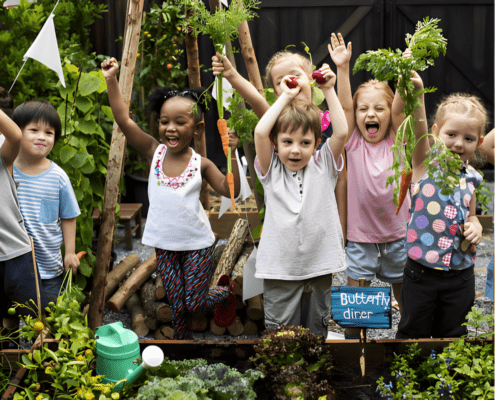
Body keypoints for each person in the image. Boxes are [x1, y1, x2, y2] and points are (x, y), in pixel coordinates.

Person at [101, 57, 241, 340]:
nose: (170, 128)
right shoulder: (155, 152)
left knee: (194, 303)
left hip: (197, 244)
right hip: (165, 244)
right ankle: (181, 343)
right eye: (164, 122)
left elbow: (231, 191)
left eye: (180, 122)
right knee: (177, 304)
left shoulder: (201, 164)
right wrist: (111, 79)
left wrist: (231, 153)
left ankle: (225, 292)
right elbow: (123, 119)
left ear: (197, 129)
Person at [212, 49, 348, 244]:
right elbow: (256, 99)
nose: (289, 81)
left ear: (310, 79)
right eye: (280, 81)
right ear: (276, 92)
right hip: (286, 214)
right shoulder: (277, 124)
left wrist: (341, 228)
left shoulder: (326, 122)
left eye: (295, 75)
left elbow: (341, 166)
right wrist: (231, 74)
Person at [252, 63, 348, 337]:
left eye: (305, 143)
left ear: (317, 143)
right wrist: (285, 96)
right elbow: (260, 132)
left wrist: (329, 90)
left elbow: (341, 132)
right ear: (276, 143)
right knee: (281, 332)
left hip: (320, 264)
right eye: (287, 142)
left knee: (316, 327)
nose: (296, 150)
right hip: (280, 269)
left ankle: (311, 374)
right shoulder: (271, 171)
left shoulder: (324, 165)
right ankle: (284, 378)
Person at [328, 33, 410, 339]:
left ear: (390, 114)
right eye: (364, 109)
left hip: (398, 237)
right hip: (361, 239)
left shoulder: (399, 140)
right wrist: (343, 69)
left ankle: (410, 342)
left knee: (408, 301)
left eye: (379, 109)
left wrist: (405, 68)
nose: (370, 114)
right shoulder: (353, 142)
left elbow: (403, 107)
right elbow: (345, 111)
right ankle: (356, 350)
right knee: (356, 311)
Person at [396, 91, 488, 339]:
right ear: (435, 132)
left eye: (468, 138)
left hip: (461, 274)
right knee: (413, 329)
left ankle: (444, 376)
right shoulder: (425, 164)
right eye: (451, 135)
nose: (459, 144)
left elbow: (471, 215)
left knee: (454, 331)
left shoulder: (472, 178)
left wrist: (476, 226)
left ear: (478, 142)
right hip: (422, 271)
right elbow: (418, 127)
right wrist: (417, 94)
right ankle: (408, 375)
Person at [12, 100, 81, 305]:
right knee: (11, 311)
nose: (42, 137)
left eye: (49, 133)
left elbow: (68, 216)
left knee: (49, 312)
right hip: (13, 263)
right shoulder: (7, 170)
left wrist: (69, 252)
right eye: (33, 130)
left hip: (48, 266)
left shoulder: (58, 177)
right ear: (17, 132)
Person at [0, 108, 47, 339]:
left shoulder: (3, 154)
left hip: (15, 251)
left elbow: (16, 136)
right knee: (5, 317)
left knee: (33, 317)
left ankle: (43, 362)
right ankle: (9, 358)